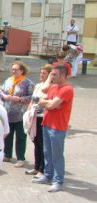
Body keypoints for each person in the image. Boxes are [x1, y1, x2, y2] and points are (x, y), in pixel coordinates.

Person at [34, 63, 74, 193]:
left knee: (56, 155)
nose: (51, 77)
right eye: (51, 74)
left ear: (63, 75)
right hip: (47, 123)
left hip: (58, 127)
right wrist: (50, 104)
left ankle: (58, 181)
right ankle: (47, 175)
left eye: (54, 75)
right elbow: (42, 100)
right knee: (47, 152)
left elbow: (50, 105)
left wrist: (50, 104)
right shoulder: (54, 87)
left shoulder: (67, 89)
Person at [0, 61, 34, 167]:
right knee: (7, 135)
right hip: (8, 113)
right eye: (12, 69)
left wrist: (20, 99)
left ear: (22, 70)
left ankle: (21, 158)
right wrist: (4, 97)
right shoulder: (8, 80)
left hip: (21, 114)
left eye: (16, 69)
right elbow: (1, 91)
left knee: (20, 137)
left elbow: (32, 97)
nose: (13, 71)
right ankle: (7, 154)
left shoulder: (28, 83)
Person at [25, 64, 53, 176]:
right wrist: (28, 113)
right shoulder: (37, 86)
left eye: (44, 73)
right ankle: (36, 167)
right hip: (34, 117)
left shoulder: (51, 87)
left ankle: (42, 169)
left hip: (43, 117)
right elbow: (32, 101)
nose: (41, 75)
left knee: (42, 143)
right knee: (35, 142)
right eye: (40, 73)